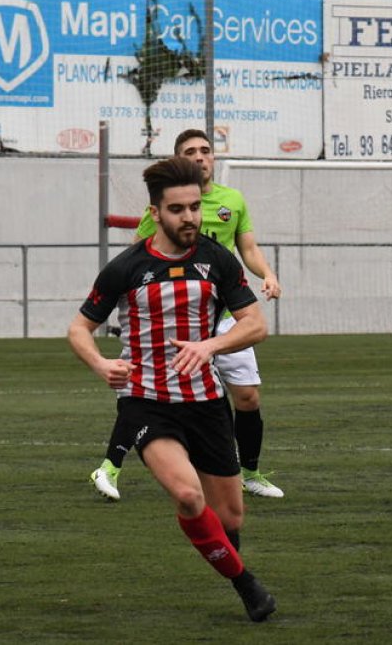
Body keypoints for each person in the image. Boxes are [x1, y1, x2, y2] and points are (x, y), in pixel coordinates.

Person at [68, 157, 277, 622]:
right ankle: (247, 586)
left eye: (195, 208)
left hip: (206, 402)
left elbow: (256, 325)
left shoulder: (217, 260)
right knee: (187, 496)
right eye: (178, 209)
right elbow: (79, 328)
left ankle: (231, 567)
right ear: (156, 212)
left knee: (231, 520)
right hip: (148, 404)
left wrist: (211, 346)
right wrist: (102, 363)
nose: (190, 218)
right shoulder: (127, 267)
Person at [90, 129, 285, 501]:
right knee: (147, 393)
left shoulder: (233, 201)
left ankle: (250, 473)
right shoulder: (165, 207)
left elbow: (249, 249)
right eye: (190, 152)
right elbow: (138, 259)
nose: (200, 157)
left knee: (247, 397)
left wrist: (269, 274)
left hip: (226, 317)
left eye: (205, 150)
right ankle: (111, 467)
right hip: (175, 319)